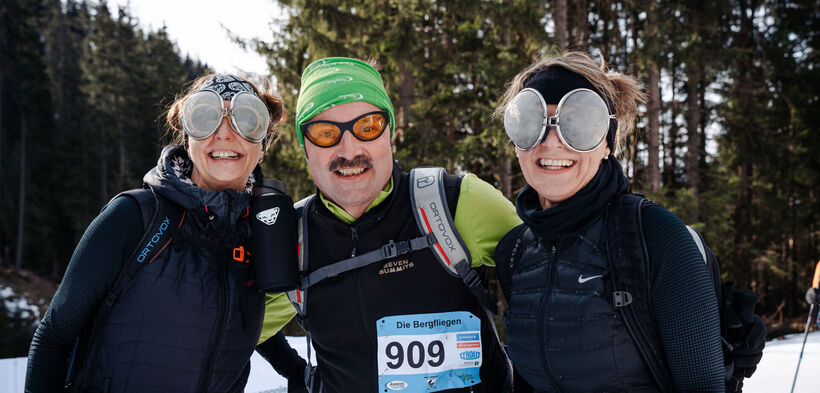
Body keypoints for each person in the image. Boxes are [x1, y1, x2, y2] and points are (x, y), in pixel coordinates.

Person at [256, 57, 522, 393]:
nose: (349, 149)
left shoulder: (455, 202)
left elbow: (552, 288)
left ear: (390, 134)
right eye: (325, 134)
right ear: (305, 147)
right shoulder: (294, 238)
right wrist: (296, 371)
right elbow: (236, 327)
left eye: (367, 126)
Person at [25, 74, 298, 392]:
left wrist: (295, 369)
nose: (224, 134)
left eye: (246, 119)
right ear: (188, 139)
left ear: (261, 146)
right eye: (205, 117)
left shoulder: (262, 236)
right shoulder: (134, 218)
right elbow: (54, 336)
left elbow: (234, 317)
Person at [493, 52, 724, 392]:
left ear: (607, 143)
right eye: (530, 120)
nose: (552, 141)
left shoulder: (656, 238)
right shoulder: (515, 253)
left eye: (579, 124)